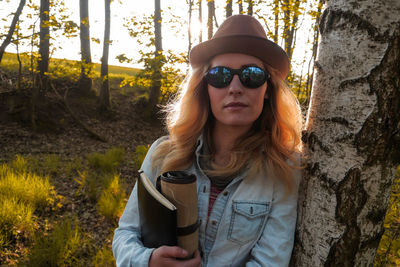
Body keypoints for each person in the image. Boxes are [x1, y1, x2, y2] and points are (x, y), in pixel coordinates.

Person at [113, 14, 303, 267]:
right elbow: (124, 236)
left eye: (252, 75)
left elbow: (270, 262)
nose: (235, 87)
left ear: (268, 90)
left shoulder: (285, 168)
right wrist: (148, 261)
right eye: (220, 75)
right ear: (205, 87)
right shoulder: (163, 153)